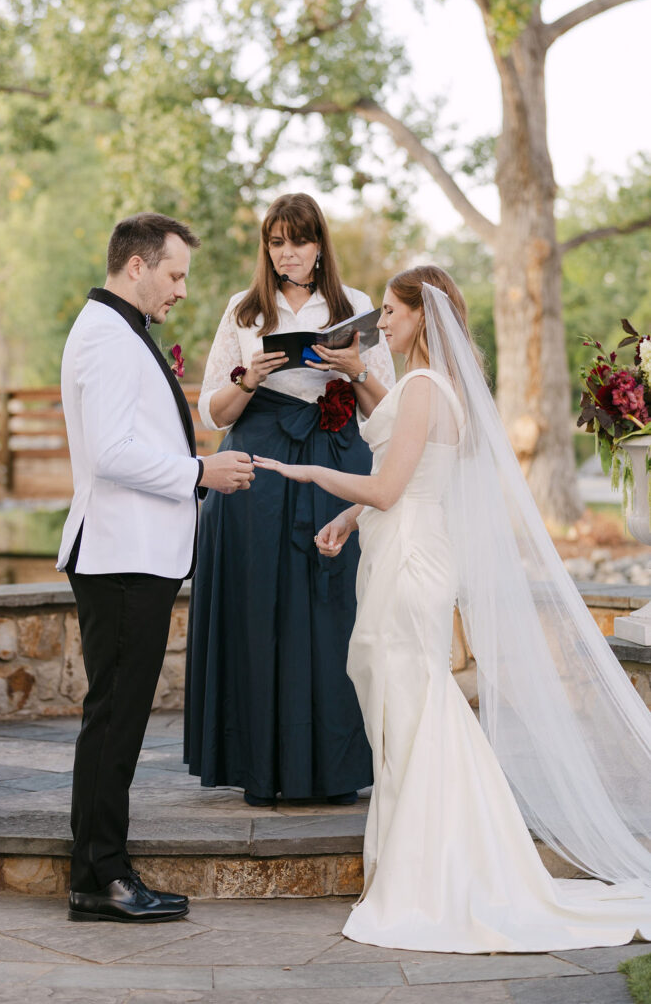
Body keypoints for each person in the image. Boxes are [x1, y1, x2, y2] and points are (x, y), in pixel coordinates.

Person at [254, 264, 651, 952]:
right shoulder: (439, 390)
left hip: (409, 563)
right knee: (409, 708)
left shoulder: (423, 389)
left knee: (412, 710)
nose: (381, 322)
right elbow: (408, 477)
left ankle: (434, 874)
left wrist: (312, 473)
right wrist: (348, 518)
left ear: (420, 318)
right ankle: (439, 859)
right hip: (411, 549)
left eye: (390, 311)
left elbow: (390, 486)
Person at [57, 212, 255, 923]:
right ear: (136, 266)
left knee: (117, 717)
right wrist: (200, 471)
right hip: (120, 557)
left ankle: (98, 871)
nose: (180, 291)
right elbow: (111, 453)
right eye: (174, 275)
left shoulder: (116, 331)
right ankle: (100, 876)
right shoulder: (109, 338)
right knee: (114, 720)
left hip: (128, 554)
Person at [183, 193, 395, 806]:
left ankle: (336, 767)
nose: (287, 254)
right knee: (261, 607)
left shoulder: (353, 306)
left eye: (298, 242)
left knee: (336, 609)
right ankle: (262, 767)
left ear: (319, 244)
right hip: (258, 468)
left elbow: (387, 413)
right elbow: (214, 412)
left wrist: (354, 367)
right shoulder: (243, 310)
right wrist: (249, 378)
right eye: (276, 243)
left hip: (334, 459)